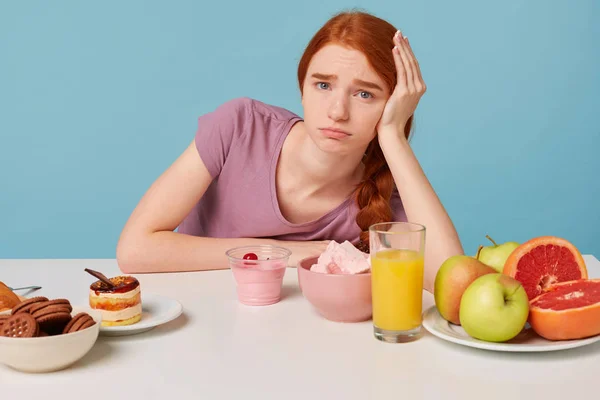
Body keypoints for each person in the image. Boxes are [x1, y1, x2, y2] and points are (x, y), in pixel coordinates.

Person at [116, 10, 464, 292]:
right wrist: (285, 253)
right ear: (302, 90)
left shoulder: (384, 194)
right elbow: (135, 249)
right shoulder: (240, 127)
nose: (337, 111)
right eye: (323, 85)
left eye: (365, 94)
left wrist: (393, 136)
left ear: (392, 106)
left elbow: (447, 282)